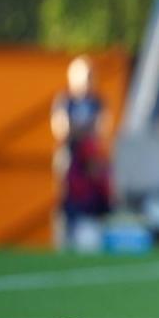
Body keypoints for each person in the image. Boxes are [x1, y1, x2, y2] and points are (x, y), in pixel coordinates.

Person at [51, 56, 111, 252]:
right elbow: (61, 129)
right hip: (70, 156)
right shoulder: (65, 100)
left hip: (90, 158)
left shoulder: (97, 102)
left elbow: (101, 129)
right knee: (65, 199)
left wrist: (79, 130)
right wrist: (85, 130)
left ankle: (91, 241)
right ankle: (62, 242)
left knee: (92, 198)